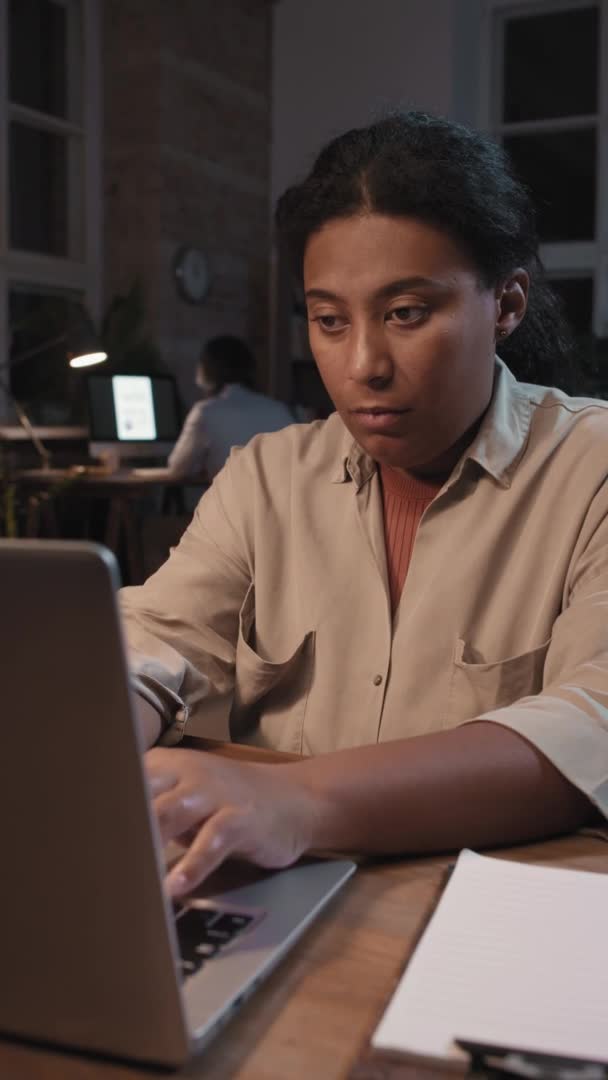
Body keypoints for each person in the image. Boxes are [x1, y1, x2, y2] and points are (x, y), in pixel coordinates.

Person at [122, 111, 608, 899]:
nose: (363, 366)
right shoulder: (268, 478)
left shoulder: (591, 471)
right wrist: (97, 734)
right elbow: (156, 634)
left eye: (406, 313)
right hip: (269, 893)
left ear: (507, 303)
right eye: (328, 320)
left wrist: (298, 800)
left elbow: (596, 721)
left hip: (491, 913)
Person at [166, 335, 294, 480]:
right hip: (283, 500)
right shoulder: (278, 409)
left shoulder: (206, 411)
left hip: (233, 500)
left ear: (206, 370)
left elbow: (178, 467)